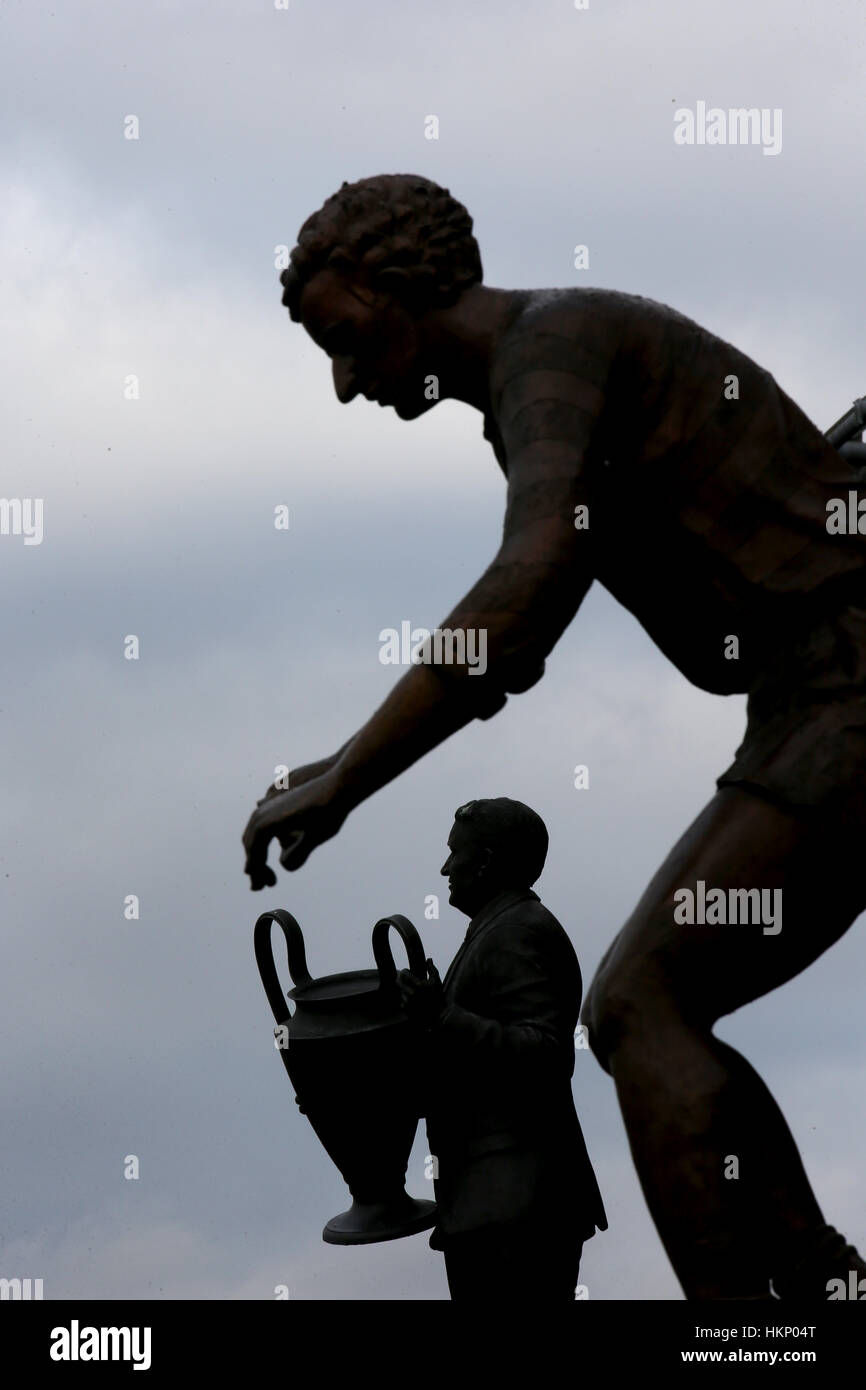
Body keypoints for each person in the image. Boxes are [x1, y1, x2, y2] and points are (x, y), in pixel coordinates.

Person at [243, 173, 866, 1299]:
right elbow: (708, 648)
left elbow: (524, 593)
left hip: (847, 689)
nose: (343, 384)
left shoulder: (552, 347)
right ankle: (819, 1290)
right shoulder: (542, 388)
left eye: (342, 338)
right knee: (659, 1005)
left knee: (640, 1006)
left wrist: (346, 776)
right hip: (807, 696)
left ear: (405, 286)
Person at [394, 798, 606, 1301]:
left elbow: (546, 1053)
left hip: (517, 1206)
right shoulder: (498, 927)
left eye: (455, 854)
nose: (445, 868)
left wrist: (441, 1017)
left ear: (485, 862)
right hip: (493, 1204)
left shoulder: (518, 931)